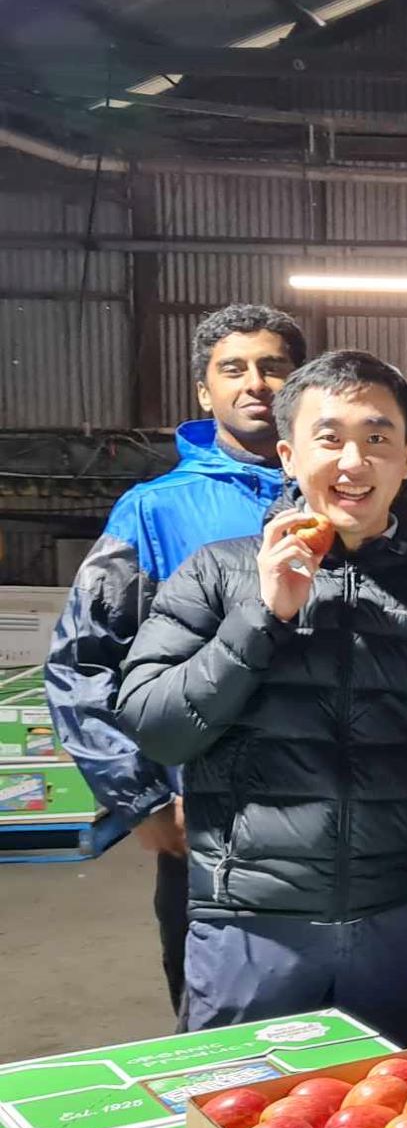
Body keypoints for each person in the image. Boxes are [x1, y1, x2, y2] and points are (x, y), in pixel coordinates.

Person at [116, 351, 407, 1048]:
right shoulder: (216, 575)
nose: (353, 461)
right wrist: (261, 616)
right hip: (248, 932)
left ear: (406, 459)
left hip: (398, 932)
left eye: (377, 438)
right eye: (329, 438)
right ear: (290, 455)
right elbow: (156, 728)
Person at [46, 303, 307, 1017]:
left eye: (273, 366)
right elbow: (80, 661)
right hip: (208, 828)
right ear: (205, 391)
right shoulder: (153, 512)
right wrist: (139, 799)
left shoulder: (340, 500)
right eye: (234, 369)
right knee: (220, 1044)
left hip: (341, 824)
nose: (256, 383)